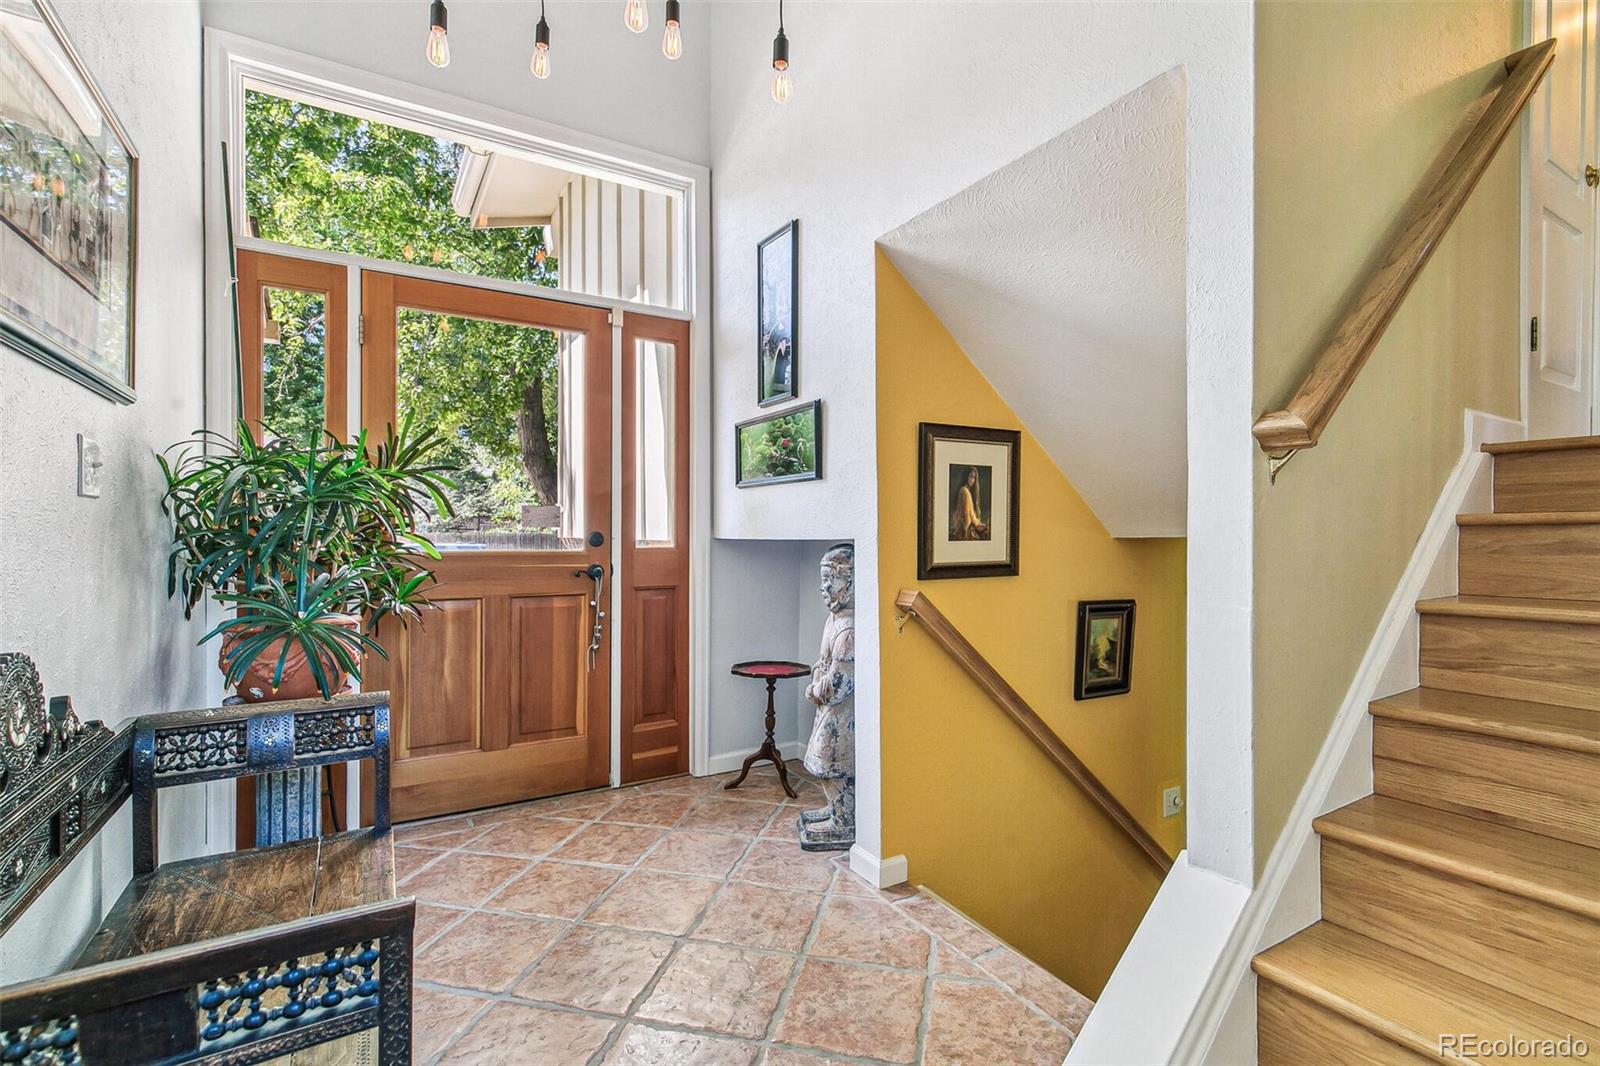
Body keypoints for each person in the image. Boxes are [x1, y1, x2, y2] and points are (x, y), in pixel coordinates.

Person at [949, 466, 988, 541]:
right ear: (966, 476)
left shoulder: (964, 490)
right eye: (971, 476)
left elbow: (971, 514)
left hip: (964, 525)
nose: (973, 480)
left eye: (974, 478)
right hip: (963, 528)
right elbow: (966, 515)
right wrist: (966, 532)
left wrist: (977, 523)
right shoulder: (965, 491)